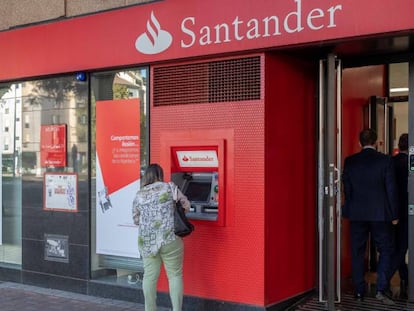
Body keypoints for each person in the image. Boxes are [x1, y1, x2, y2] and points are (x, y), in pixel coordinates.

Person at [342, 128, 399, 304]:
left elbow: (347, 188)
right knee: (386, 249)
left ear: (360, 143)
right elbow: (391, 189)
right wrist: (394, 214)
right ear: (376, 142)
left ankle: (359, 292)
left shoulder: (350, 161)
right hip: (379, 214)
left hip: (357, 213)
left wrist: (351, 206)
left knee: (357, 252)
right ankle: (381, 289)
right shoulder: (385, 161)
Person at [132, 164, 190, 311]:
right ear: (160, 174)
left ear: (146, 176)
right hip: (169, 238)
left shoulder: (139, 194)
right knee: (175, 275)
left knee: (149, 277)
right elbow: (187, 205)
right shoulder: (170, 187)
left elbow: (136, 219)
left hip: (147, 241)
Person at [389, 133, 409, 298]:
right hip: (407, 211)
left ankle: (405, 276)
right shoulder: (410, 163)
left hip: (392, 212)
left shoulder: (390, 162)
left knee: (398, 245)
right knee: (402, 247)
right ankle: (386, 276)